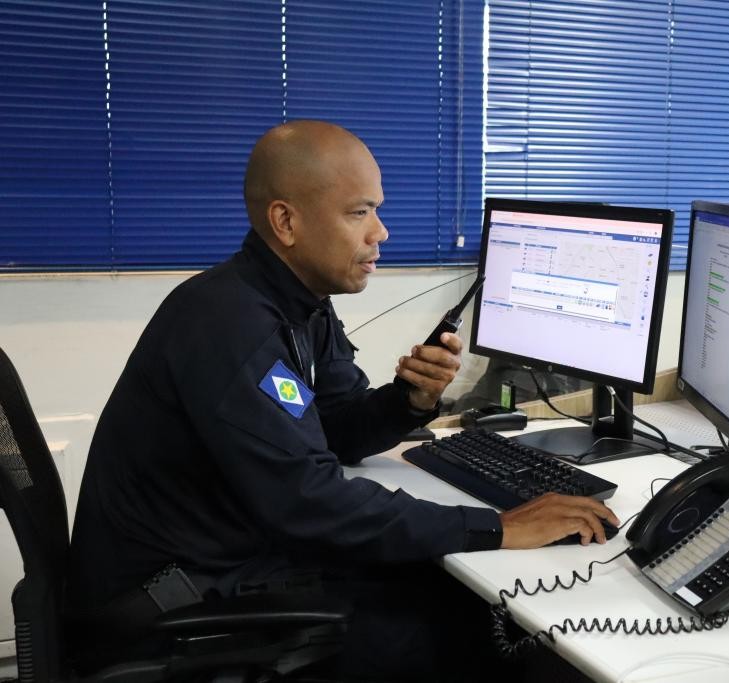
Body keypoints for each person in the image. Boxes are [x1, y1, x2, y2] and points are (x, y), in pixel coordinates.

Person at [67, 120, 619, 681]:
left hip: (228, 553)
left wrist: (408, 402)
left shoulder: (299, 304)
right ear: (286, 222)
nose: (381, 232)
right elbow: (309, 499)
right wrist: (499, 526)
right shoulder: (231, 325)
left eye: (376, 210)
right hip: (172, 603)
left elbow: (338, 429)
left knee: (444, 584)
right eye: (359, 212)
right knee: (472, 621)